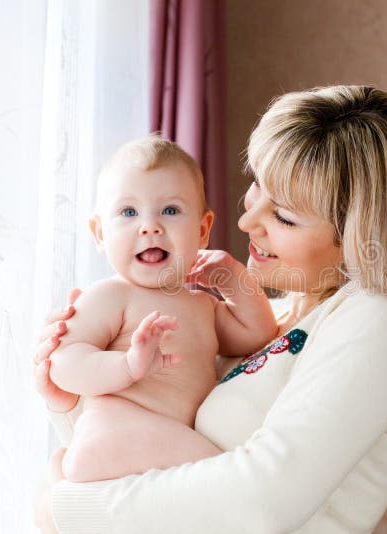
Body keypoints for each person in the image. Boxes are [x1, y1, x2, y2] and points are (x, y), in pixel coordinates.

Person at [33, 85, 387, 533]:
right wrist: (67, 404)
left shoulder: (378, 323)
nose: (245, 221)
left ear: (361, 238)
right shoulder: (276, 320)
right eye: (257, 184)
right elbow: (143, 464)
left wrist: (66, 511)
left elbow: (263, 500)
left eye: (284, 216)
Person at [47, 136, 278, 483]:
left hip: (159, 452)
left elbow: (256, 333)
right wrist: (127, 366)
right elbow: (64, 363)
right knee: (230, 478)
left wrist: (234, 278)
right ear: (99, 233)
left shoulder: (202, 305)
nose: (150, 226)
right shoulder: (108, 296)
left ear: (202, 231)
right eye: (128, 212)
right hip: (118, 429)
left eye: (170, 210)